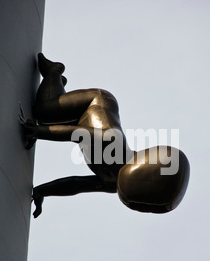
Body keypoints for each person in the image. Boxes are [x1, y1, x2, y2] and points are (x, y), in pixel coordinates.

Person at [20, 53, 190, 218]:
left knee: (49, 122)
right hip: (94, 102)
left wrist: (43, 191)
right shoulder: (113, 142)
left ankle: (58, 88)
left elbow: (76, 184)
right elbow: (77, 134)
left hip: (80, 121)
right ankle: (54, 71)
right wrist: (37, 132)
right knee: (44, 112)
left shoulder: (111, 183)